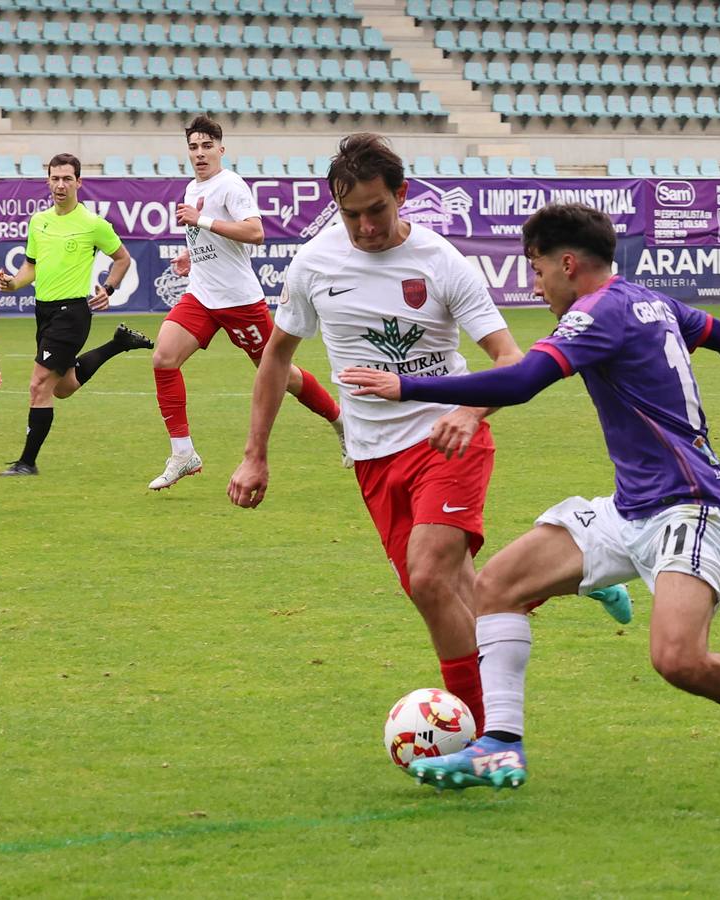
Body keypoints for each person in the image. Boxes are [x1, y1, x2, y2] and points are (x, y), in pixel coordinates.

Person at [341, 203, 720, 807]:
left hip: (689, 507)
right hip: (629, 508)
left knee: (678, 659)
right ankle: (501, 742)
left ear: (567, 264)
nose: (535, 283)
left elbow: (520, 382)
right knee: (498, 585)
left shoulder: (599, 312)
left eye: (536, 269)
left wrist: (410, 387)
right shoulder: (648, 300)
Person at [228, 135, 630, 735]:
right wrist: (254, 454)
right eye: (351, 214)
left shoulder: (442, 263)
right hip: (371, 457)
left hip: (448, 440)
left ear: (402, 196)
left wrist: (470, 413)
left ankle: (483, 734)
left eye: (377, 210)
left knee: (428, 578)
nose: (365, 227)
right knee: (455, 591)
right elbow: (277, 359)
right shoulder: (313, 264)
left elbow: (507, 356)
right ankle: (575, 571)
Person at [149, 116, 344, 491]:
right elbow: (212, 238)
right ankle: (183, 453)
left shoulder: (231, 185)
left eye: (207, 146)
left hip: (240, 301)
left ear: (221, 149)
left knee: (280, 375)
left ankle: (340, 421)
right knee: (163, 358)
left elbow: (255, 233)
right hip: (203, 295)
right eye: (194, 147)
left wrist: (202, 221)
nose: (200, 153)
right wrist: (192, 257)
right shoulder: (192, 188)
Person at [0, 153, 153, 476]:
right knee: (62, 387)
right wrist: (13, 282)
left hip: (73, 313)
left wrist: (108, 289)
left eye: (67, 179)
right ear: (47, 181)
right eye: (55, 178)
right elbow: (31, 268)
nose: (61, 185)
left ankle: (27, 463)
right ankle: (118, 344)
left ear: (79, 182)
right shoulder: (39, 222)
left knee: (39, 384)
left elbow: (123, 259)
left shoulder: (93, 224)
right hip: (44, 312)